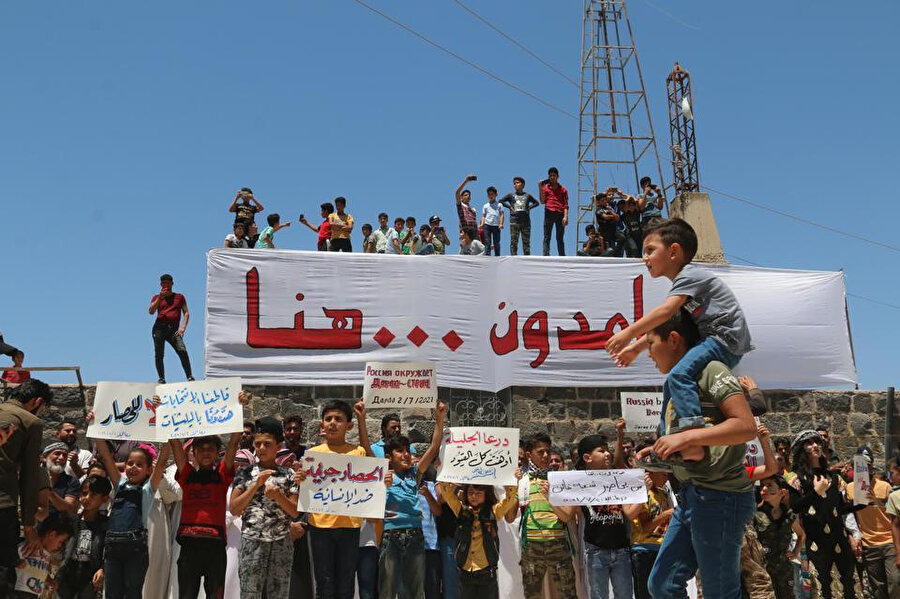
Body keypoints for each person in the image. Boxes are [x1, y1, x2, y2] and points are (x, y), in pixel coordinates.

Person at [634, 311, 758, 599]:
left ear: (674, 339)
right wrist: (659, 450)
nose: (649, 354)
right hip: (691, 496)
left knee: (720, 592)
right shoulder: (676, 384)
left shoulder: (711, 371)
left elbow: (745, 426)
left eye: (651, 344)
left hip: (721, 498)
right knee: (662, 585)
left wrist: (688, 436)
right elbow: (694, 441)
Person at [606, 219, 753, 454]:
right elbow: (668, 323)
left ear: (673, 251)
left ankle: (692, 440)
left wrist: (629, 333)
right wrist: (637, 348)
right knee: (671, 386)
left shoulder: (690, 276)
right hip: (712, 338)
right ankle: (666, 442)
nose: (645, 258)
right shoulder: (685, 286)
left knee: (679, 375)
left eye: (650, 250)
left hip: (724, 339)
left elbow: (664, 312)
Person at [169, 392, 246, 599]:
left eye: (210, 449)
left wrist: (239, 408)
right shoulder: (186, 475)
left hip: (215, 546)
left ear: (216, 453)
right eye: (200, 449)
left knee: (215, 595)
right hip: (189, 545)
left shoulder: (222, 476)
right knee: (186, 595)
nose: (205, 453)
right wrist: (164, 411)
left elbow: (233, 444)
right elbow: (175, 443)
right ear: (192, 452)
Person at [294, 400, 373, 599]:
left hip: (350, 527)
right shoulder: (312, 455)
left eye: (338, 419)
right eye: (328, 419)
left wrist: (383, 480)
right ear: (321, 425)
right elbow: (306, 490)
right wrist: (299, 480)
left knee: (346, 585)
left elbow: (372, 476)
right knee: (324, 584)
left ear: (349, 425)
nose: (332, 423)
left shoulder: (358, 452)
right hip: (320, 527)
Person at [89, 424, 171, 599]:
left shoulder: (148, 490)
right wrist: (94, 426)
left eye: (139, 465)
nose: (133, 467)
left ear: (149, 470)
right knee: (112, 593)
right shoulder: (119, 484)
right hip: (112, 547)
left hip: (135, 549)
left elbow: (163, 461)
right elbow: (106, 456)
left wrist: (169, 431)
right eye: (130, 463)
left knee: (133, 593)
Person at [376, 403, 447, 599]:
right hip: (390, 536)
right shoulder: (381, 476)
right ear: (389, 457)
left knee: (415, 590)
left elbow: (433, 448)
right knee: (387, 590)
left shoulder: (415, 474)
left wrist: (439, 419)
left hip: (415, 536)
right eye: (400, 451)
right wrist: (383, 486)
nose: (406, 454)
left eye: (407, 450)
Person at [230, 416, 300, 599]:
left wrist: (278, 495)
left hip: (281, 542)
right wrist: (255, 485)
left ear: (279, 446)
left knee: (279, 594)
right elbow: (234, 509)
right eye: (257, 444)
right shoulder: (244, 473)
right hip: (252, 542)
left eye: (267, 444)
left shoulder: (289, 474)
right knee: (249, 593)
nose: (261, 448)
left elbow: (294, 511)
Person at [788, 429, 860, 599]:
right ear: (801, 448)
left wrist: (862, 504)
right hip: (816, 543)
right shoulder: (796, 477)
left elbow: (839, 509)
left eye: (817, 442)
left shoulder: (832, 477)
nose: (815, 446)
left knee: (848, 585)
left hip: (839, 540)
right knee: (824, 587)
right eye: (809, 443)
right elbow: (796, 507)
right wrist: (816, 492)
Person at [0, 379, 52, 596]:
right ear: (37, 401)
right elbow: (30, 476)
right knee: (3, 573)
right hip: (3, 507)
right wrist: (28, 525)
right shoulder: (30, 422)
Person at [568, 426, 632, 599]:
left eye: (608, 451)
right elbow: (566, 515)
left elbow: (630, 513)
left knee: (625, 595)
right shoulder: (578, 482)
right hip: (595, 551)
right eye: (601, 451)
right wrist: (549, 495)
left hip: (622, 550)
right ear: (587, 458)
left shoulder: (617, 478)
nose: (607, 454)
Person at [511, 432, 577, 599]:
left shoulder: (560, 480)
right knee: (533, 594)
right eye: (540, 452)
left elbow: (567, 516)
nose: (546, 456)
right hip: (532, 546)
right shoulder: (522, 481)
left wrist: (551, 498)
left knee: (568, 593)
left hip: (558, 543)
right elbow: (509, 517)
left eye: (547, 451)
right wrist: (514, 487)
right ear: (528, 455)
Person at [437, 476, 519, 599]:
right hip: (465, 571)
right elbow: (447, 493)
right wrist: (444, 472)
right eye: (470, 493)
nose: (474, 496)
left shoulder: (494, 511)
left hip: (486, 572)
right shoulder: (460, 509)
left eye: (479, 493)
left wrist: (512, 480)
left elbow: (510, 499)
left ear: (486, 495)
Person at [845, 448, 897, 599]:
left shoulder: (885, 486)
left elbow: (894, 513)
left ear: (871, 467)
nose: (862, 469)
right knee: (877, 588)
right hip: (868, 544)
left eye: (865, 465)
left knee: (895, 582)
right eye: (858, 466)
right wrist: (853, 538)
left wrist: (877, 501)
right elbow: (847, 516)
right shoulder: (849, 488)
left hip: (889, 541)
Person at [56, 475, 112, 599]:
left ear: (104, 498)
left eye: (93, 495)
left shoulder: (105, 525)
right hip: (67, 573)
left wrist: (102, 568)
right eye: (84, 493)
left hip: (90, 577)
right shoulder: (71, 521)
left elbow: (109, 550)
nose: (86, 498)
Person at [624, 465, 672, 599]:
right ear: (650, 473)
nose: (666, 478)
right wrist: (666, 514)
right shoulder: (642, 494)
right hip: (643, 550)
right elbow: (646, 527)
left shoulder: (664, 494)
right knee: (645, 593)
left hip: (661, 549)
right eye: (664, 474)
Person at [754, 474, 805, 599]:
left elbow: (801, 535)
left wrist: (795, 552)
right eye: (762, 486)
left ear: (782, 492)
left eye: (769, 485)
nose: (764, 489)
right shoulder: (755, 514)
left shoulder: (789, 515)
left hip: (784, 570)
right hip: (762, 571)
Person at [13, 511, 74, 598]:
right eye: (61, 541)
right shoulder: (28, 545)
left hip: (33, 595)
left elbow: (39, 571)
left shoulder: (47, 555)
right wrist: (16, 562)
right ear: (52, 534)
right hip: (17, 592)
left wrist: (49, 580)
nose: (60, 546)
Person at [148, 273, 194, 384]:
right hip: (159, 327)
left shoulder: (179, 297)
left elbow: (186, 312)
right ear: (161, 284)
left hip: (173, 329)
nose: (165, 285)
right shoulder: (156, 297)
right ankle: (162, 378)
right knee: (159, 353)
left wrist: (183, 327)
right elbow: (151, 311)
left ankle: (189, 376)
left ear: (172, 284)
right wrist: (160, 297)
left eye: (167, 283)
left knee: (182, 350)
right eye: (163, 283)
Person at [499, 176, 539, 256]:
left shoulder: (527, 195)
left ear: (523, 185)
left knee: (526, 242)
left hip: (526, 221)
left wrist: (529, 208)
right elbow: (501, 201)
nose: (515, 185)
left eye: (517, 183)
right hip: (514, 221)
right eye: (514, 183)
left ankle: (527, 259)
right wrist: (509, 207)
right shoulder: (511, 195)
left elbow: (536, 203)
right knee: (514, 241)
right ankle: (513, 258)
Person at [42, 443, 80, 516]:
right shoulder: (35, 478)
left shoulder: (71, 481)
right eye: (57, 454)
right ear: (44, 457)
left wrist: (49, 492)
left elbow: (70, 509)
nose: (61, 458)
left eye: (65, 455)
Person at [539, 167, 568, 256]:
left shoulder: (563, 189)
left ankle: (562, 255)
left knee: (560, 237)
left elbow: (566, 205)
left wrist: (565, 216)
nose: (552, 177)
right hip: (549, 212)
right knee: (547, 236)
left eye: (554, 176)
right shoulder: (545, 188)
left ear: (557, 176)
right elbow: (542, 201)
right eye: (550, 176)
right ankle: (546, 254)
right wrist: (540, 188)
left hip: (560, 213)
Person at [593, 189, 622, 256]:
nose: (604, 201)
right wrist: (612, 216)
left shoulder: (608, 208)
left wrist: (610, 211)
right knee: (609, 247)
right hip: (605, 231)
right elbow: (605, 217)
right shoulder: (598, 209)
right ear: (598, 202)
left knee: (622, 238)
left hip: (613, 229)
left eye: (605, 200)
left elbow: (617, 218)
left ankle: (616, 253)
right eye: (602, 200)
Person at [480, 187, 504, 256]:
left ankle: (497, 256)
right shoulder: (485, 206)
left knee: (496, 242)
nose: (491, 196)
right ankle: (487, 255)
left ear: (496, 195)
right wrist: (482, 224)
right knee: (487, 242)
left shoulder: (499, 205)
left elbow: (502, 215)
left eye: (492, 194)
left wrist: (501, 224)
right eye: (489, 194)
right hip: (487, 225)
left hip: (496, 225)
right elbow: (484, 216)